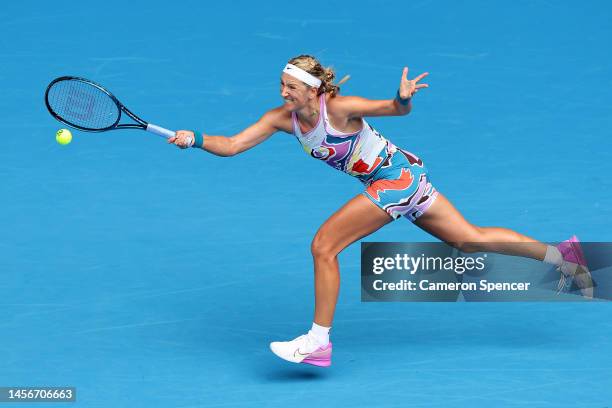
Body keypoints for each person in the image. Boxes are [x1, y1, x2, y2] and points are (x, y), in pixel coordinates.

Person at [168, 54, 593, 367]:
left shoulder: (339, 108)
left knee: (323, 247)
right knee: (469, 238)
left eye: (291, 87)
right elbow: (234, 145)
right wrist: (196, 137)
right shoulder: (281, 118)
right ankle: (562, 256)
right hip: (400, 178)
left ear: (313, 90)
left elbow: (393, 110)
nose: (283, 92)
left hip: (394, 179)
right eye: (281, 84)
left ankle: (318, 341)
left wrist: (402, 97)